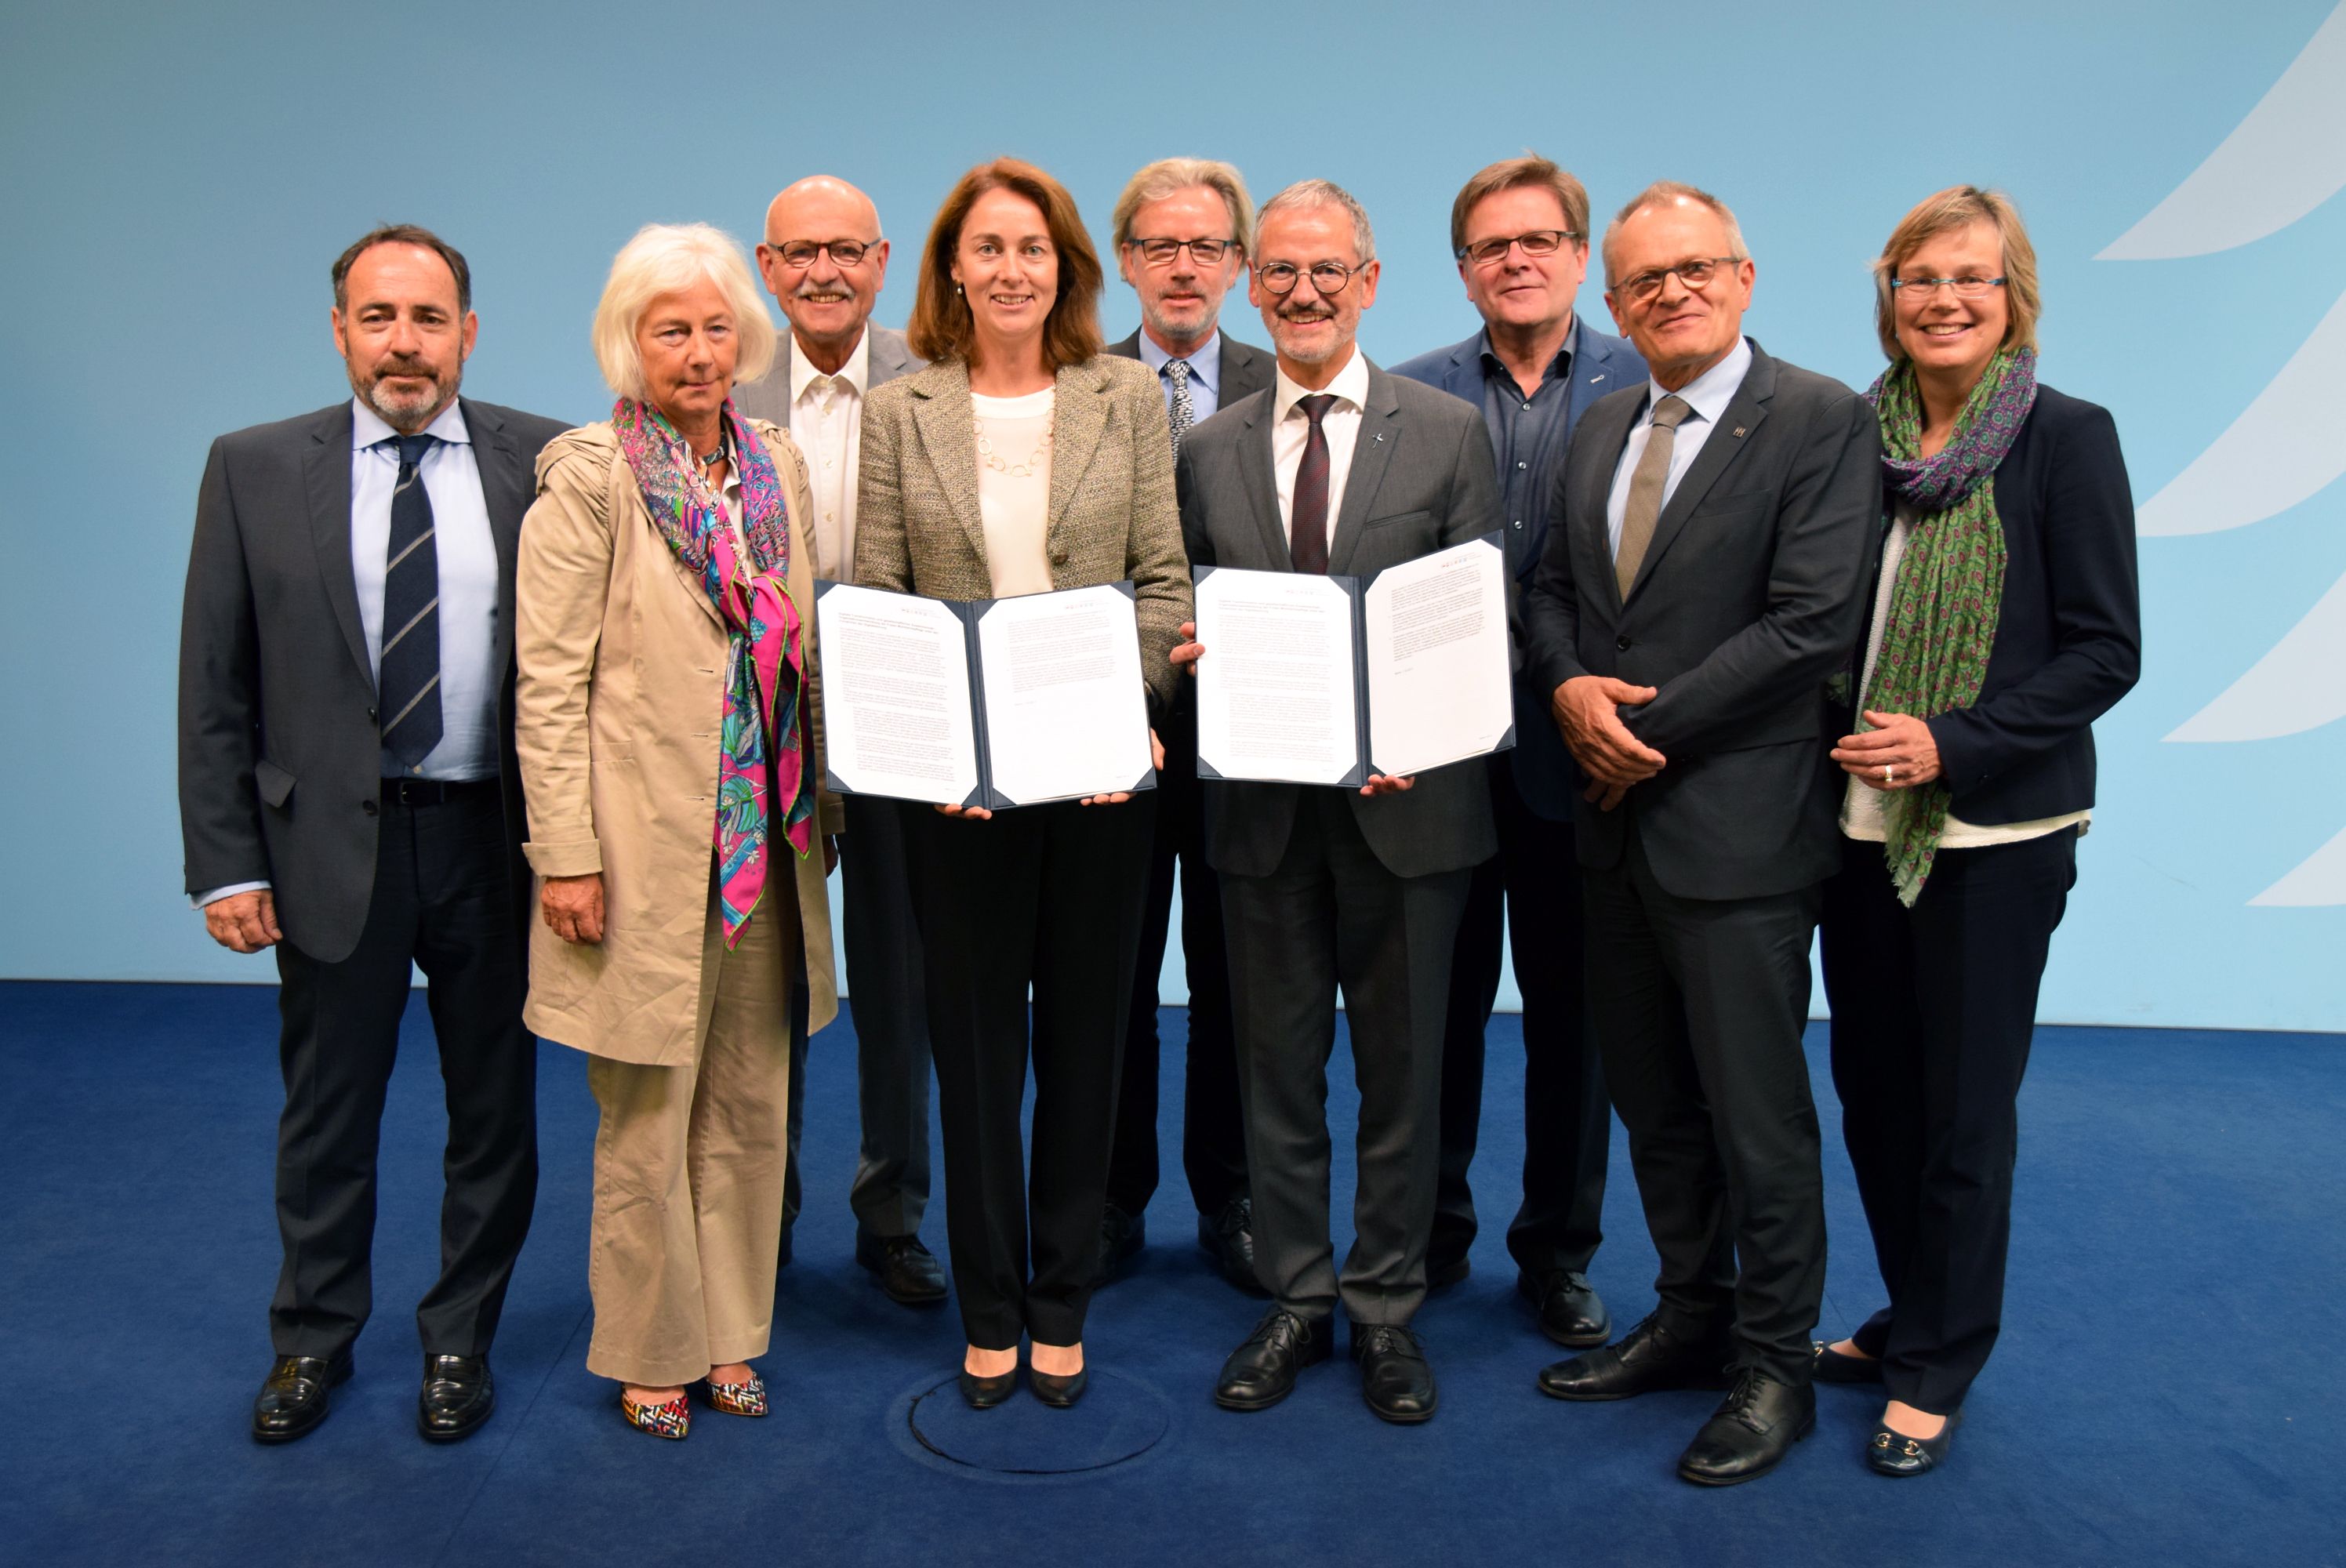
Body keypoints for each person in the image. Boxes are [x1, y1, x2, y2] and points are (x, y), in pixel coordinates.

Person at [178, 224, 565, 1446]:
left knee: (494, 1109)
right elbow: (214, 685)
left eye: (430, 318)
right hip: (324, 854)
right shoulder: (249, 467)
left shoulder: (546, 459)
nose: (406, 343)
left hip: (490, 844)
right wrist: (227, 861)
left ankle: (461, 1338)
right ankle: (311, 1340)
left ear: (469, 332)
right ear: (340, 329)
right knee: (327, 1110)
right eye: (380, 317)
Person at [1520, 181, 1879, 1486]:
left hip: (1736, 831)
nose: (1668, 292)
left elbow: (1810, 624)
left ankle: (1775, 1363)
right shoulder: (1601, 421)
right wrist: (1567, 690)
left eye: (1694, 269)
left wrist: (1637, 732)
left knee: (1755, 1112)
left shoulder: (1823, 418)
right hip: (1613, 836)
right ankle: (1691, 1312)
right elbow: (1554, 593)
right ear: (1610, 303)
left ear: (1742, 278)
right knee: (1656, 1106)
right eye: (1641, 281)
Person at [854, 158, 1189, 1410]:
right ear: (954, 268)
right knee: (978, 1054)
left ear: (1067, 270)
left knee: (1090, 1046)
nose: (1011, 269)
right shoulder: (904, 412)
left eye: (1033, 249)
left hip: (1101, 785)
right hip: (955, 797)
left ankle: (1061, 1301)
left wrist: (1128, 715)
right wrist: (929, 748)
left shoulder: (1129, 399)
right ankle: (988, 1306)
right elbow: (882, 596)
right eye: (988, 248)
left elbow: (1165, 580)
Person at [1814, 186, 2140, 1476]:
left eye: (1974, 279)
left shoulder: (2067, 437)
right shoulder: (1852, 436)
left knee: (1962, 1110)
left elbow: (2105, 651)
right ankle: (1912, 1313)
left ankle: (1940, 1362)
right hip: (1852, 825)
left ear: (2016, 300)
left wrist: (1952, 740)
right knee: (1875, 1095)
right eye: (1919, 277)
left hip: (1993, 833)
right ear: (1887, 296)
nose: (1946, 300)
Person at [1177, 180, 1501, 1425]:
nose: (1303, 293)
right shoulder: (1205, 449)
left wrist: (1421, 723)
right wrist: (1192, 653)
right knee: (1278, 1070)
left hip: (1409, 812)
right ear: (1254, 288)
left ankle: (1384, 1309)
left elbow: (1477, 621)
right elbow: (1183, 611)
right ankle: (1298, 1295)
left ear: (1368, 282)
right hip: (1263, 813)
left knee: (1404, 1072)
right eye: (1280, 273)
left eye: (1330, 272)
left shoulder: (1444, 431)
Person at [515, 222, 841, 1440]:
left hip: (771, 849)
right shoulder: (590, 475)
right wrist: (567, 855)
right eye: (671, 331)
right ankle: (651, 1349)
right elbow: (547, 684)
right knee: (649, 1114)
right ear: (630, 342)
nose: (698, 353)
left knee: (752, 1109)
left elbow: (800, 656)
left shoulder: (776, 467)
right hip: (644, 853)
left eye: (715, 329)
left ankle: (729, 1338)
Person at [1391, 154, 1644, 1342]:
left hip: (1581, 757)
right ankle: (1431, 1232)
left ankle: (1558, 1251)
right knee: (1431, 1013)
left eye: (1540, 240)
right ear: (1463, 270)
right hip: (1439, 757)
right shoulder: (1410, 393)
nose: (1518, 260)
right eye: (1493, 246)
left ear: (1579, 257)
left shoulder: (1648, 386)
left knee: (1572, 1023)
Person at [733, 175, 943, 1308]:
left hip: (908, 732)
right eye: (800, 252)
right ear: (767, 267)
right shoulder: (721, 378)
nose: (824, 272)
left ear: (881, 260)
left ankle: (892, 1214)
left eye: (847, 251)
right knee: (773, 987)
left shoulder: (937, 377)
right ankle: (761, 1216)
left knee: (902, 986)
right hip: (762, 742)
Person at [1098, 156, 1274, 1294]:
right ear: (1126, 262)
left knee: (1238, 974)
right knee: (1110, 973)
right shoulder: (1076, 384)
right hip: (1106, 731)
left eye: (1207, 246)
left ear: (1240, 265)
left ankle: (1234, 1195)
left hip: (1254, 734)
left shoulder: (1285, 377)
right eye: (1160, 246)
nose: (1184, 266)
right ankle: (1110, 1198)